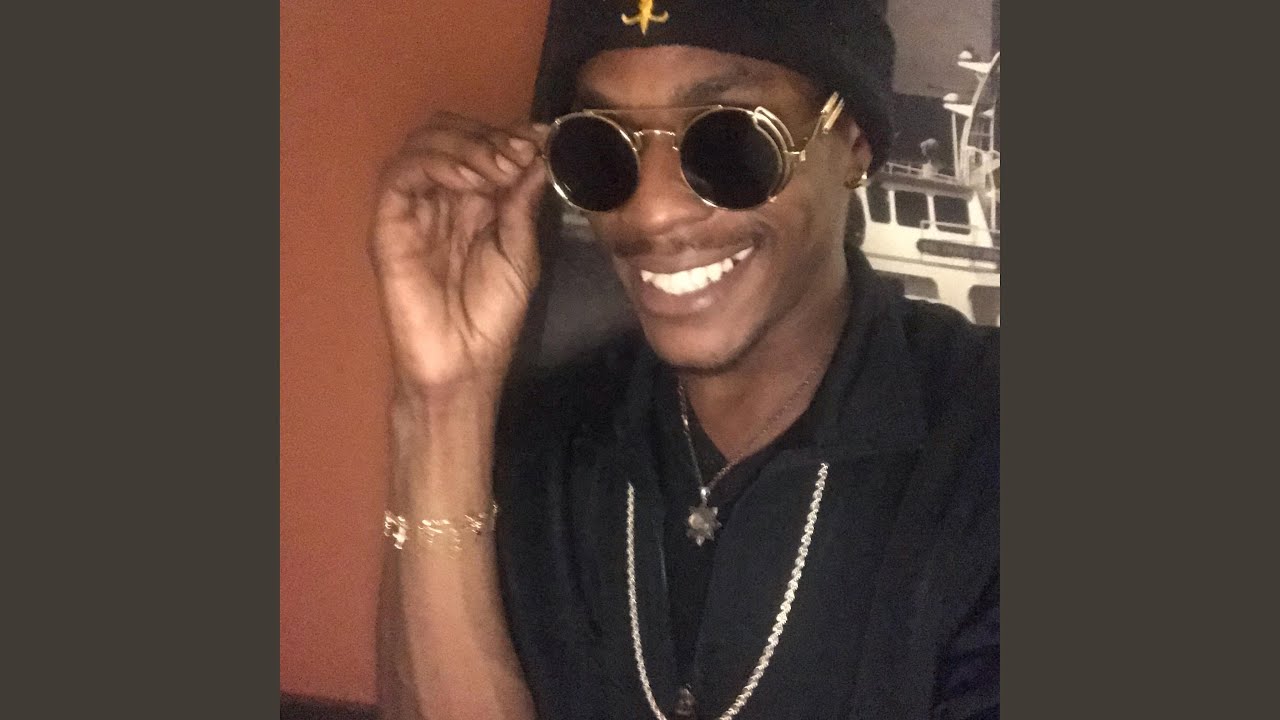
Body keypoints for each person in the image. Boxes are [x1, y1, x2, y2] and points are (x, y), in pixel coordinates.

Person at [371, 1, 999, 719]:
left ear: (853, 139)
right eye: (603, 149)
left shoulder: (991, 454)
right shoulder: (540, 439)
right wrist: (442, 399)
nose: (652, 212)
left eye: (730, 142)